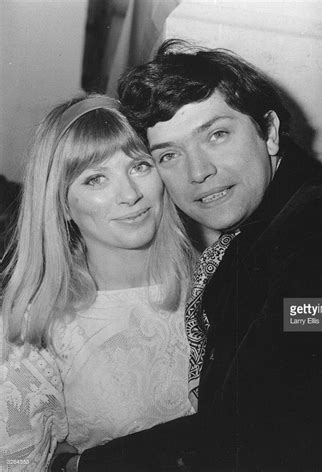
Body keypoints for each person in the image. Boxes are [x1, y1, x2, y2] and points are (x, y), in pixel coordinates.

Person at [73, 41, 322, 471]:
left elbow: (257, 432)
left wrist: (84, 466)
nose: (198, 171)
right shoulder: (287, 218)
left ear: (270, 132)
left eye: (216, 135)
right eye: (169, 154)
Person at [0, 94, 195, 471]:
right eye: (96, 179)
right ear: (62, 205)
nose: (130, 195)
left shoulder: (222, 273)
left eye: (139, 166)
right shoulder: (34, 328)